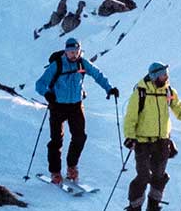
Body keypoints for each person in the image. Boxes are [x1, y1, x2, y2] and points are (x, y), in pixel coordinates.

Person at [120, 62, 181, 211]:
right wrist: (130, 137)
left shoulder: (169, 91)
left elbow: (179, 110)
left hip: (162, 141)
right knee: (143, 176)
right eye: (163, 75)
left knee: (159, 176)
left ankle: (153, 209)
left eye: (166, 74)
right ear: (154, 76)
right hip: (142, 141)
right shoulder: (140, 92)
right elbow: (130, 117)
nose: (166, 77)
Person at [34, 36, 118, 184]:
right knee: (56, 140)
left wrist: (109, 89)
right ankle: (55, 172)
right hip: (58, 106)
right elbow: (40, 84)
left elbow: (97, 75)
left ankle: (71, 167)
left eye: (76, 51)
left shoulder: (82, 63)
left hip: (76, 106)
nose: (73, 54)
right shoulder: (57, 65)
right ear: (66, 51)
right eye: (71, 51)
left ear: (80, 51)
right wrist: (47, 94)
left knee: (79, 137)